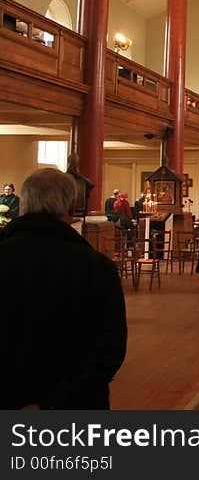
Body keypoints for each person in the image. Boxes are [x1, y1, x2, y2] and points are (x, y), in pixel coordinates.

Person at [0, 168, 127, 409]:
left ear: (23, 203)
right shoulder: (97, 267)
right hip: (75, 406)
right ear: (71, 207)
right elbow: (110, 349)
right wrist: (52, 402)